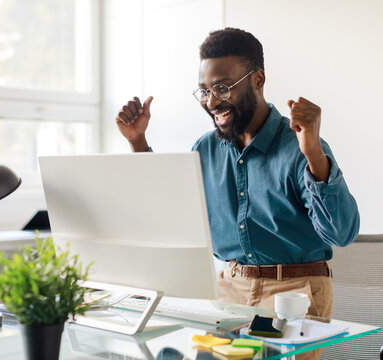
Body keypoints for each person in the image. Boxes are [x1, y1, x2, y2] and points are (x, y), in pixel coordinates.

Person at [115, 28, 359, 360]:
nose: (212, 102)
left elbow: (341, 233)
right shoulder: (206, 148)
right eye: (203, 91)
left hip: (293, 293)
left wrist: (315, 155)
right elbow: (171, 215)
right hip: (228, 289)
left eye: (222, 88)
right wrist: (137, 143)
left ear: (257, 79)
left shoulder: (299, 145)